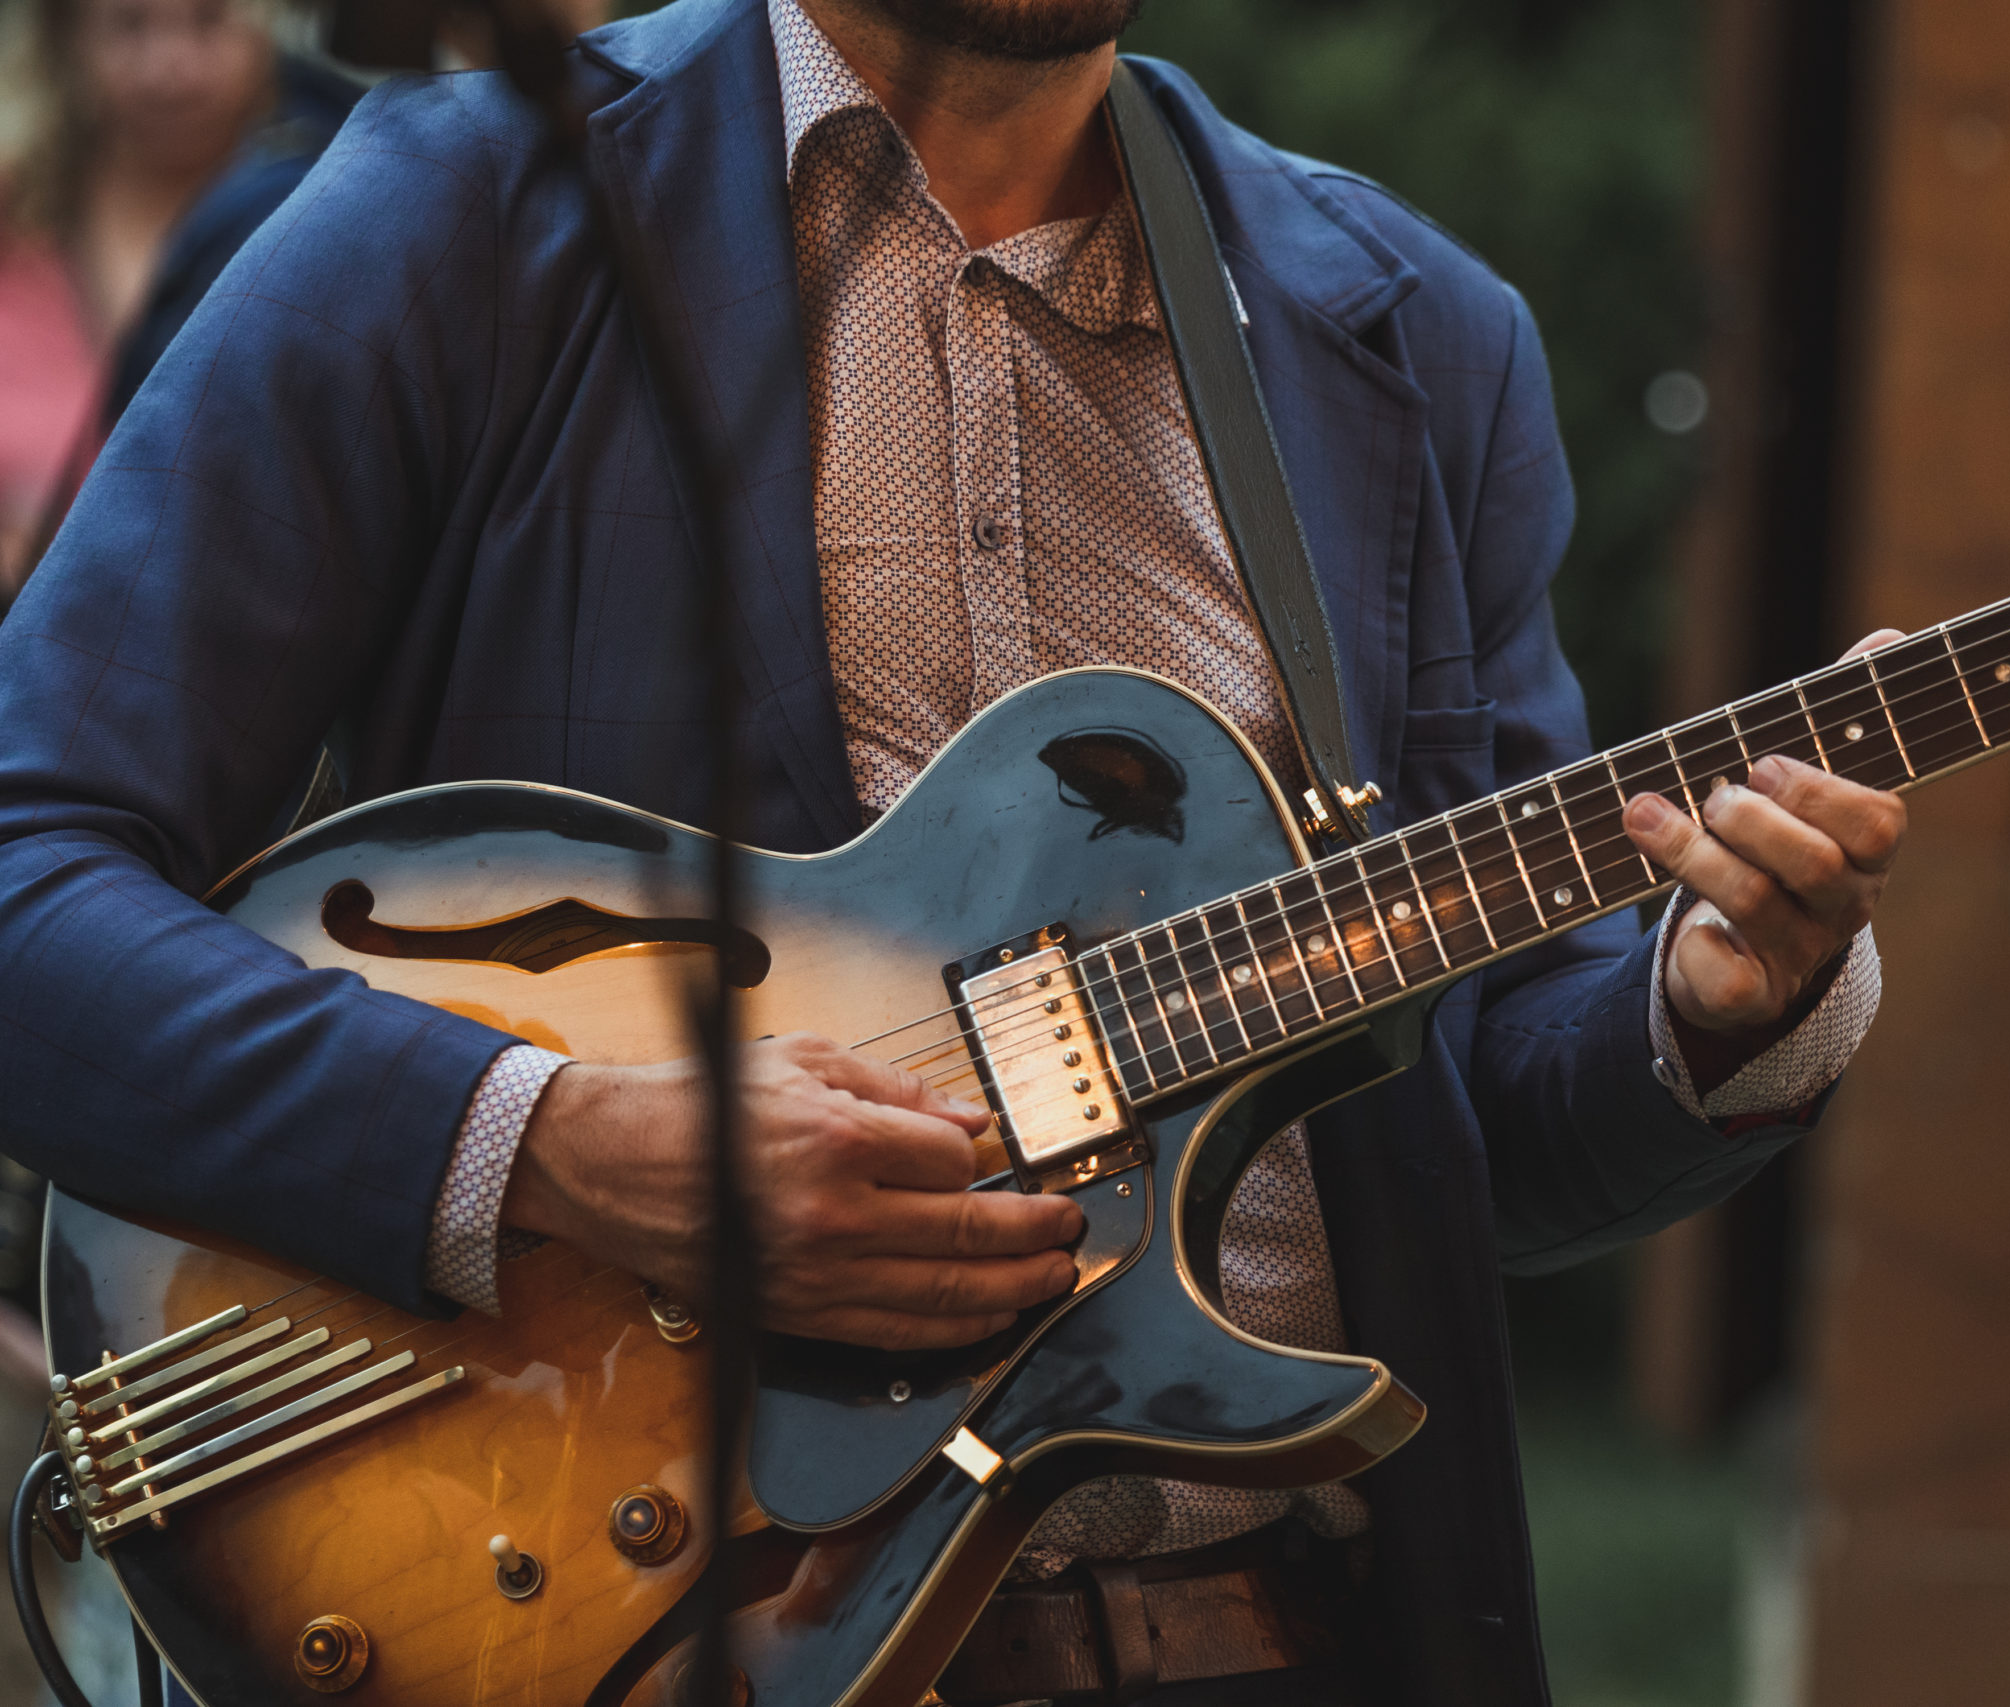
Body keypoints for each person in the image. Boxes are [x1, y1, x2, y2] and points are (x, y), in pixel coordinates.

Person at [0, 0, 1908, 1700]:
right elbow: (27, 874)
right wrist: (545, 1145)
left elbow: (1463, 1119)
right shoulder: (464, 217)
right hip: (664, 1625)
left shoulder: (1408, 334)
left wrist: (1717, 1004)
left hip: (1278, 1636)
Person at [0, 0, 360, 606]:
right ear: (67, 38)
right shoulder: (18, 216)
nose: (168, 68)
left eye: (209, 21)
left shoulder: (333, 214)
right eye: (127, 26)